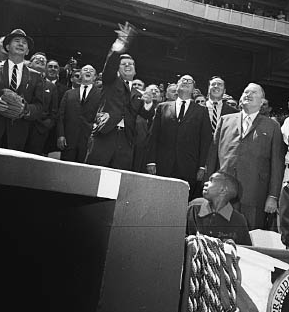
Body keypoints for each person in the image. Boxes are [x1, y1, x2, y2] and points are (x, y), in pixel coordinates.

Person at [207, 82, 284, 230]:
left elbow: (276, 163)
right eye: (246, 92)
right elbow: (212, 156)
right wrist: (209, 185)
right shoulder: (225, 120)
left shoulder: (272, 126)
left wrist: (273, 196)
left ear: (262, 102)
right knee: (219, 233)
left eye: (254, 93)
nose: (248, 95)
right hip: (223, 192)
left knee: (250, 237)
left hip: (254, 193)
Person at [85, 22, 153, 170]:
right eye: (124, 64)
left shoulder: (138, 93)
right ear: (117, 69)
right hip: (105, 135)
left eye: (131, 64)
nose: (128, 66)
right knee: (93, 175)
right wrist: (120, 44)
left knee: (117, 181)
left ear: (135, 71)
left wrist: (148, 103)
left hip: (126, 140)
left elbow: (146, 114)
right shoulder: (110, 81)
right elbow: (110, 65)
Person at [147, 75, 212, 197]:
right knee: (159, 198)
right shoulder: (163, 107)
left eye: (190, 81)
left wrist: (202, 166)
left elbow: (205, 140)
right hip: (163, 164)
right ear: (176, 87)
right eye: (183, 80)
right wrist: (151, 161)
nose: (186, 82)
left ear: (194, 89)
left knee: (181, 201)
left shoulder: (202, 111)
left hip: (189, 166)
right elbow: (153, 135)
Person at [187, 172, 252, 245]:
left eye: (211, 180)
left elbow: (245, 250)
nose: (205, 183)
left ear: (223, 190)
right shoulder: (193, 209)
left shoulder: (238, 220)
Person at [56, 65, 101, 162]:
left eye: (91, 70)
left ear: (95, 76)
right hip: (68, 139)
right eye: (85, 70)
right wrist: (61, 135)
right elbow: (61, 116)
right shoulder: (69, 93)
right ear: (80, 75)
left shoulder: (101, 95)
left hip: (88, 140)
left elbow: (101, 115)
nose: (88, 71)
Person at [25, 52, 60, 155]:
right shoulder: (20, 79)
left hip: (39, 131)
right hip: (19, 126)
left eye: (43, 61)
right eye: (37, 59)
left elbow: (53, 111)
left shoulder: (51, 87)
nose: (41, 60)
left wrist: (45, 126)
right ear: (29, 63)